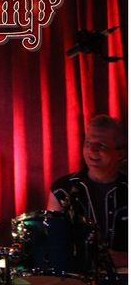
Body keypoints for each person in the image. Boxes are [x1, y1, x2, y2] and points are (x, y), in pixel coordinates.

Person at [47, 114, 127, 280]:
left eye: (101, 145)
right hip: (79, 279)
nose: (92, 150)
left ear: (120, 153)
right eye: (88, 143)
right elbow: (55, 248)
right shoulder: (63, 190)